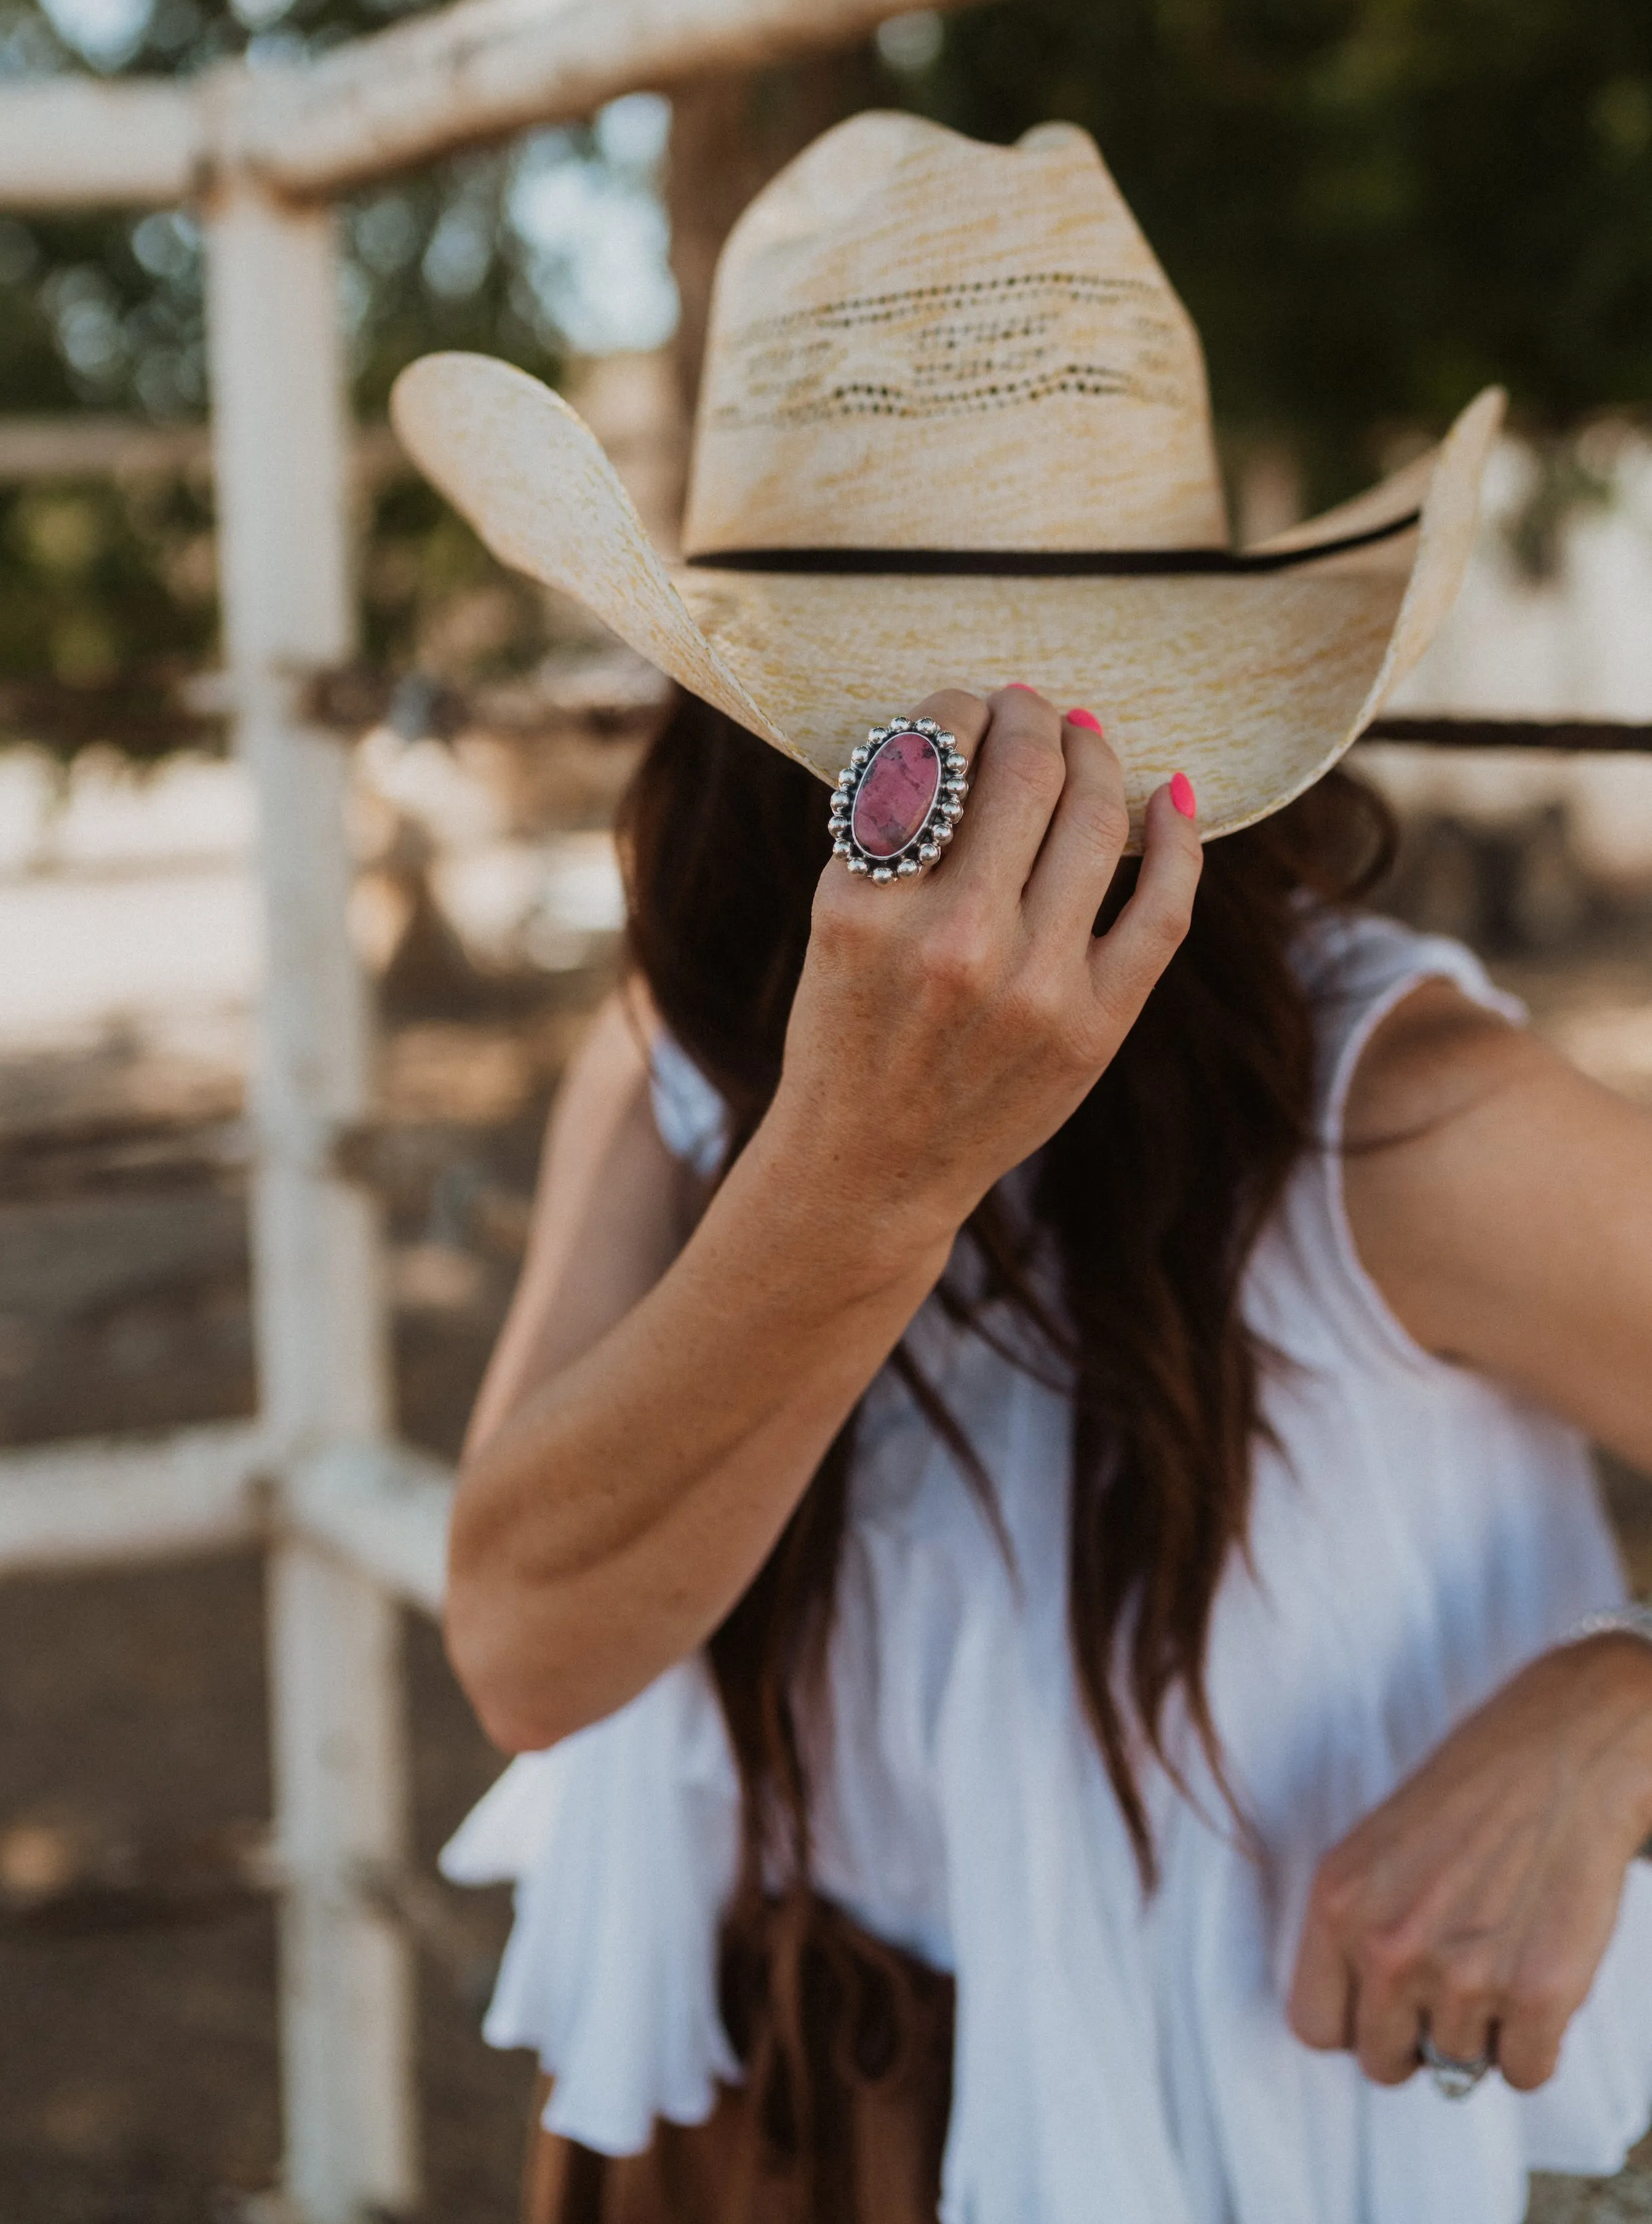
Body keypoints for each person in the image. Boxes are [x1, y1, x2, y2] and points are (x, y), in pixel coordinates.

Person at [395, 116, 1652, 2224]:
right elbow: (529, 1643)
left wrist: (1621, 1710)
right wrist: (859, 1171)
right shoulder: (685, 1058)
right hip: (753, 2134)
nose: (986, 823)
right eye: (877, 750)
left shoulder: (1396, 1124)